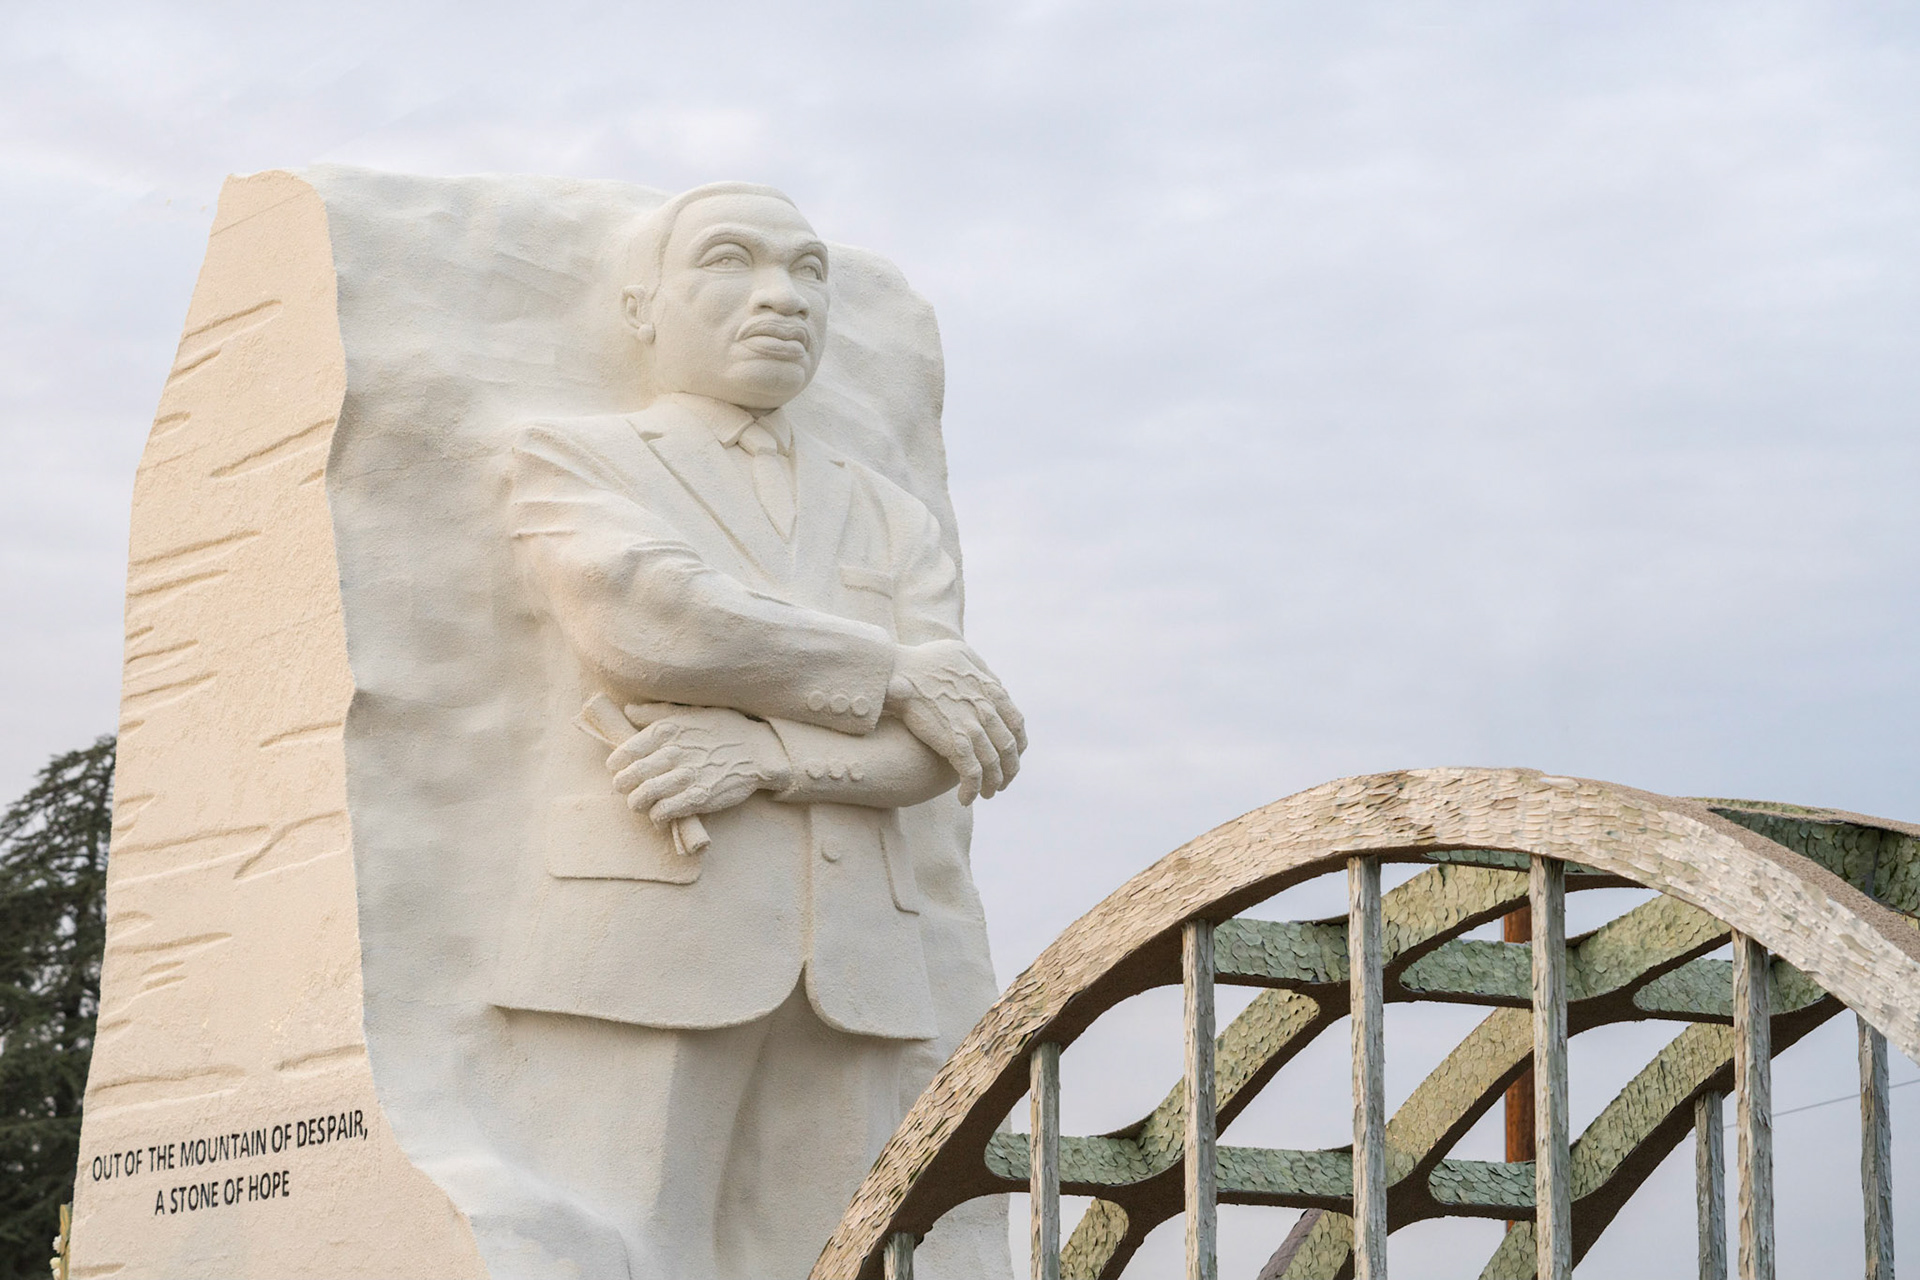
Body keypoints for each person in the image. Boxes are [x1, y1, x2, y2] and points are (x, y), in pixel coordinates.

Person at [488, 181, 1025, 1279]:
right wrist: (889, 669)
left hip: (861, 961)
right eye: (730, 260)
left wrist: (765, 756)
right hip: (651, 933)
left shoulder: (889, 511)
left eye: (808, 270)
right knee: (628, 1242)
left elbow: (941, 743)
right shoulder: (576, 456)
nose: (782, 297)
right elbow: (649, 616)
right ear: (643, 307)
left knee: (854, 1249)